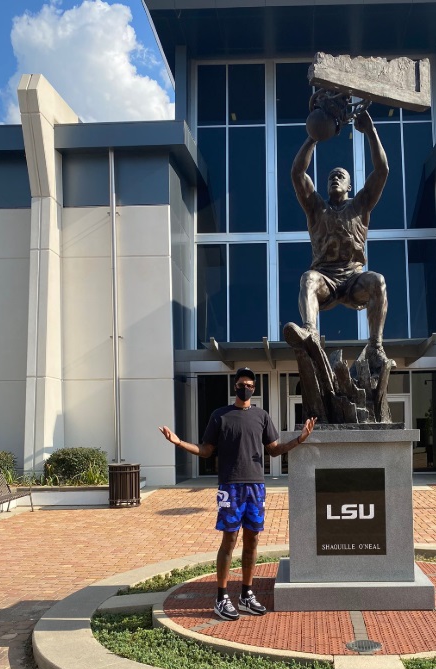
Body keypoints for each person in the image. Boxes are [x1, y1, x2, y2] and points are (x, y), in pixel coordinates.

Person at [159, 367, 316, 621]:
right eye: (242, 384)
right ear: (235, 387)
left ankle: (246, 594)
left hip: (256, 487)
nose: (246, 388)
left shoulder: (261, 416)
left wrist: (300, 439)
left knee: (252, 540)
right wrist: (179, 443)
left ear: (254, 388)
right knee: (229, 540)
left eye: (250, 385)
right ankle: (221, 597)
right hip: (230, 486)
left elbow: (274, 449)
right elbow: (206, 450)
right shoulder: (220, 416)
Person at [287, 109, 389, 371]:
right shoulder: (316, 208)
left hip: (354, 278)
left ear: (349, 187)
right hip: (326, 279)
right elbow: (297, 173)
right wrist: (314, 136)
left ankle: (376, 347)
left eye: (340, 176)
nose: (335, 178)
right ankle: (310, 333)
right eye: (331, 176)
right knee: (308, 278)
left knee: (378, 281)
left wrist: (371, 132)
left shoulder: (360, 205)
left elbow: (382, 170)